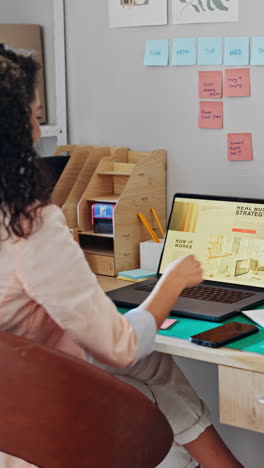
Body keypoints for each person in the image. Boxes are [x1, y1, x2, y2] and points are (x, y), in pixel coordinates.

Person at [0, 43, 244, 468]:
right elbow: (120, 347)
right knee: (151, 369)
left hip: (17, 390)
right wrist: (172, 282)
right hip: (32, 406)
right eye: (35, 117)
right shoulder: (30, 225)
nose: (38, 131)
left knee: (156, 367)